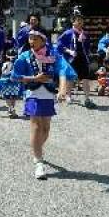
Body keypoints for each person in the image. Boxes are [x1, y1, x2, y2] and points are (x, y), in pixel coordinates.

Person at [12, 30, 76, 179]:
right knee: (36, 126)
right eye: (29, 38)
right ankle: (39, 163)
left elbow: (62, 71)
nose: (31, 41)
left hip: (48, 94)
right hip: (32, 94)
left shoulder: (52, 55)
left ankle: (37, 149)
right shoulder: (25, 56)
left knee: (46, 129)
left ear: (43, 40)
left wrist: (61, 90)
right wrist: (34, 78)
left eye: (34, 38)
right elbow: (15, 76)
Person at [57, 13, 96, 108]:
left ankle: (87, 98)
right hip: (71, 59)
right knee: (70, 78)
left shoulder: (85, 34)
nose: (80, 22)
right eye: (78, 20)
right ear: (73, 22)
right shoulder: (68, 33)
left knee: (85, 78)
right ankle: (68, 95)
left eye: (81, 20)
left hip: (82, 58)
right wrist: (69, 51)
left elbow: (87, 47)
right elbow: (59, 44)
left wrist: (84, 43)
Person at [0, 50, 22, 118]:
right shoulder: (18, 63)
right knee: (13, 97)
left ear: (7, 55)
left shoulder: (5, 64)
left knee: (7, 97)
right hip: (15, 82)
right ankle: (12, 110)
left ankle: (11, 109)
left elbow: (4, 73)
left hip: (6, 82)